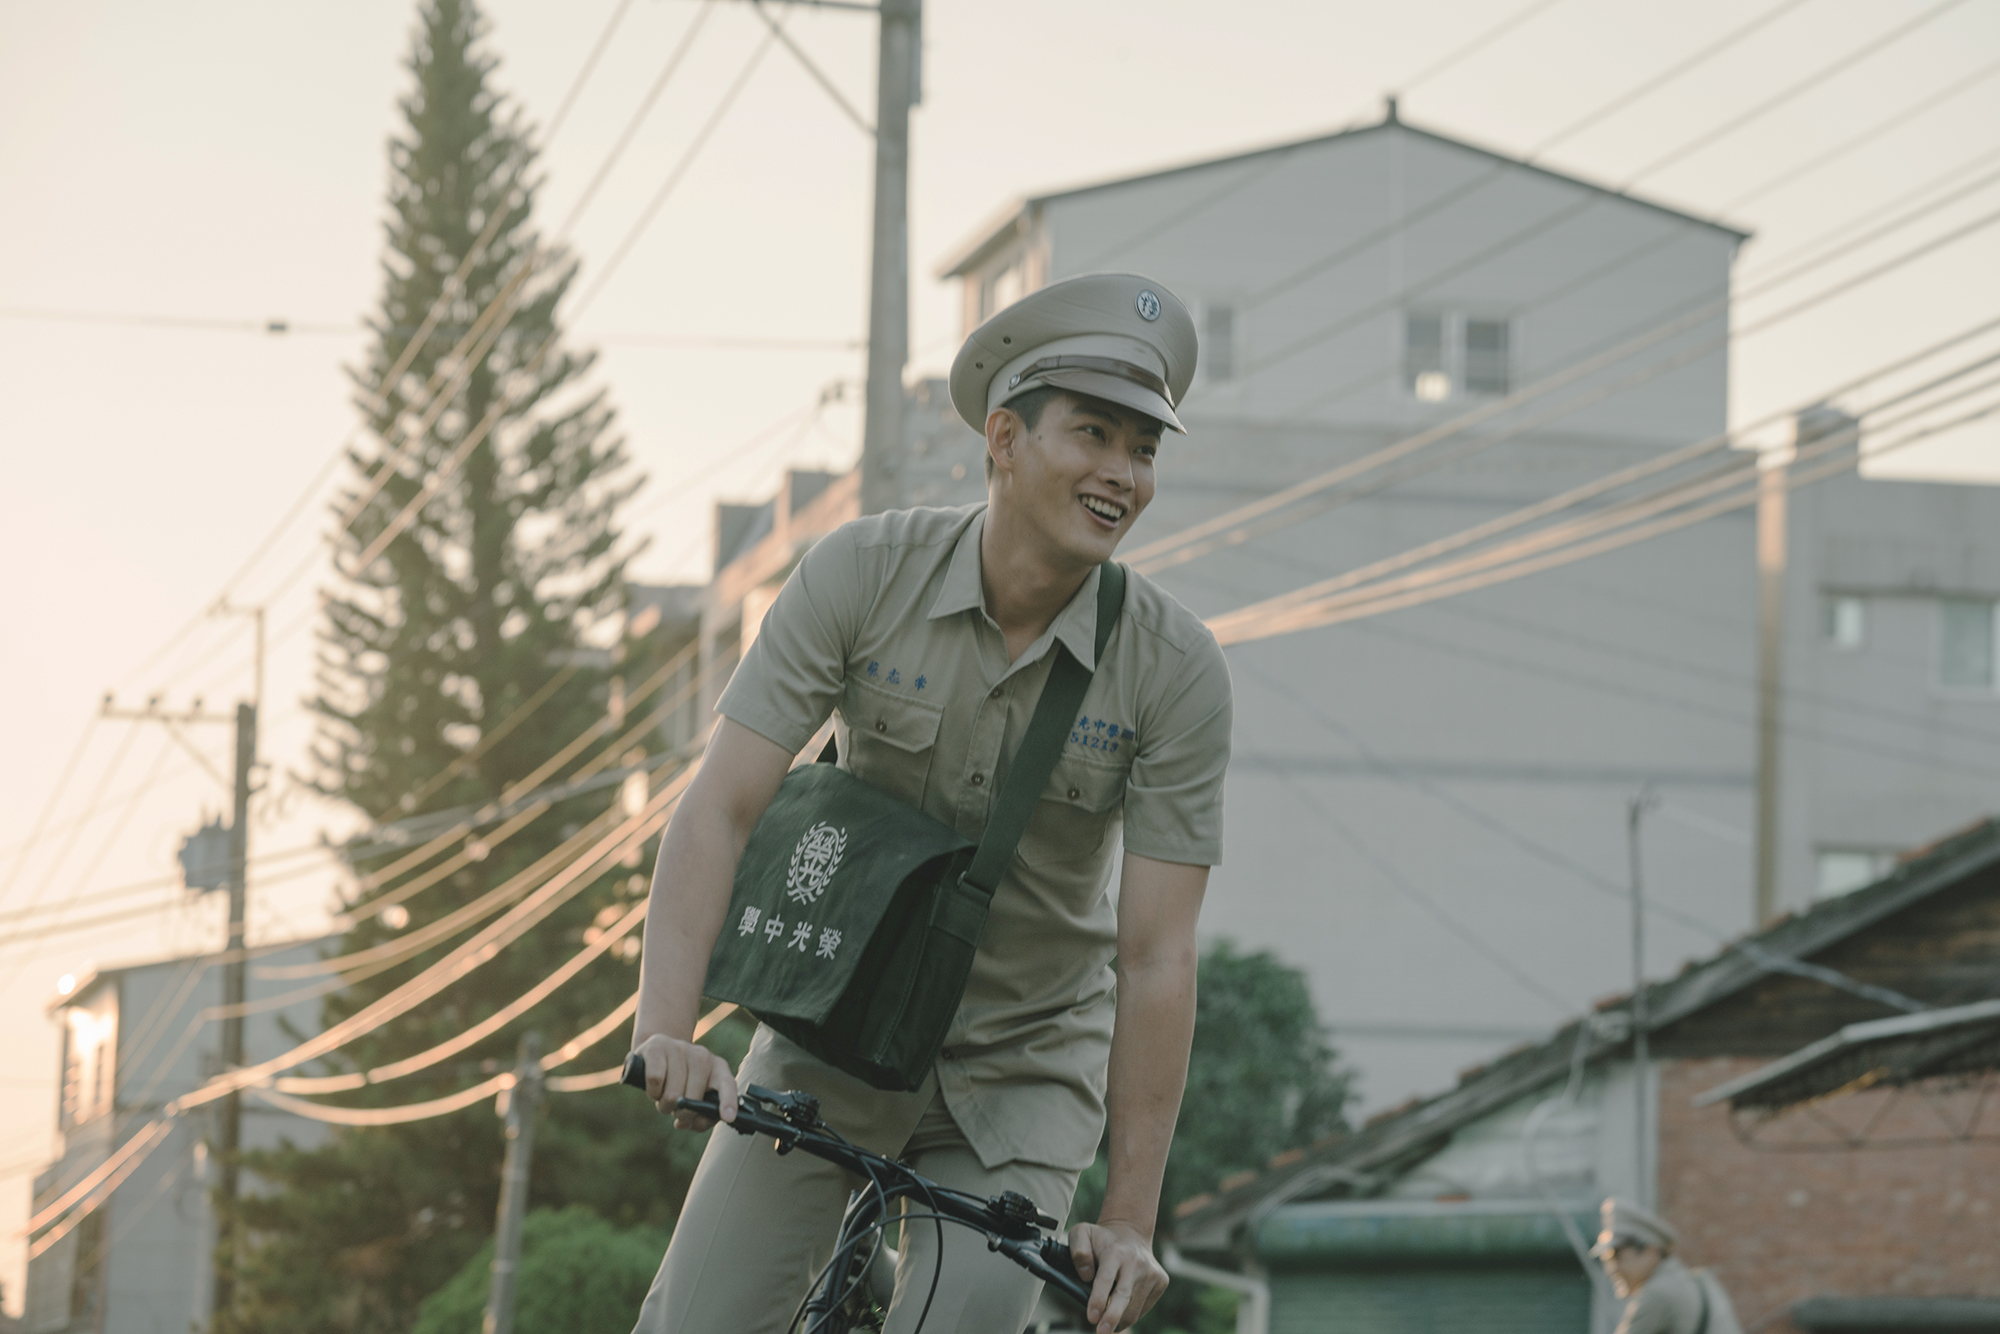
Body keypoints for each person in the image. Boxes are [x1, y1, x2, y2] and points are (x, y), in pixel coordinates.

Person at [627, 272, 1233, 1334]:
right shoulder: (860, 573)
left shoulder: (1173, 667)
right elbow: (719, 805)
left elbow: (1155, 955)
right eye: (1091, 432)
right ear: (1002, 436)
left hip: (1026, 1068)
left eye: (1142, 448)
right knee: (694, 1317)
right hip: (837, 1025)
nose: (1120, 473)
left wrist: (1128, 1219)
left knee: (969, 1315)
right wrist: (669, 1029)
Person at [1594, 1198, 1742, 1334]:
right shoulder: (1699, 1281)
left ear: (1650, 1251)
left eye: (1617, 1257)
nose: (1612, 1270)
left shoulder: (1657, 1293)